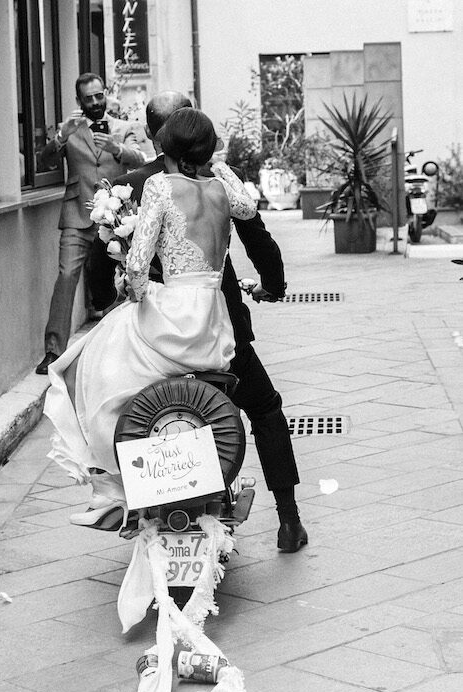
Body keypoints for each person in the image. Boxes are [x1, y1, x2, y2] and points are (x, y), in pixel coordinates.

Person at [79, 91, 307, 553]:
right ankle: (288, 518)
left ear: (155, 134)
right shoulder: (224, 184)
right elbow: (258, 238)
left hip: (159, 326)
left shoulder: (136, 184)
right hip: (219, 327)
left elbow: (105, 261)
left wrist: (117, 298)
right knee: (264, 409)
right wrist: (273, 285)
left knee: (108, 383)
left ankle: (124, 496)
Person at [43, 108, 257, 526]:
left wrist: (134, 295)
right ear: (206, 150)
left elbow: (138, 264)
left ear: (165, 148)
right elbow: (248, 209)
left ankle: (111, 489)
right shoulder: (220, 191)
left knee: (88, 365)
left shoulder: (159, 185)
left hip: (171, 317)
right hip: (213, 324)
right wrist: (222, 166)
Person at [35, 73, 144, 375]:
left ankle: (116, 347)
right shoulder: (69, 129)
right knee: (66, 275)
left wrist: (116, 149)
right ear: (79, 101)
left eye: (99, 96)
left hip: (115, 218)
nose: (95, 102)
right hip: (76, 214)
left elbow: (141, 160)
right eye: (89, 98)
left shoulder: (123, 129)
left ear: (105, 95)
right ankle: (53, 351)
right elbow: (43, 162)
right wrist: (59, 137)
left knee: (119, 280)